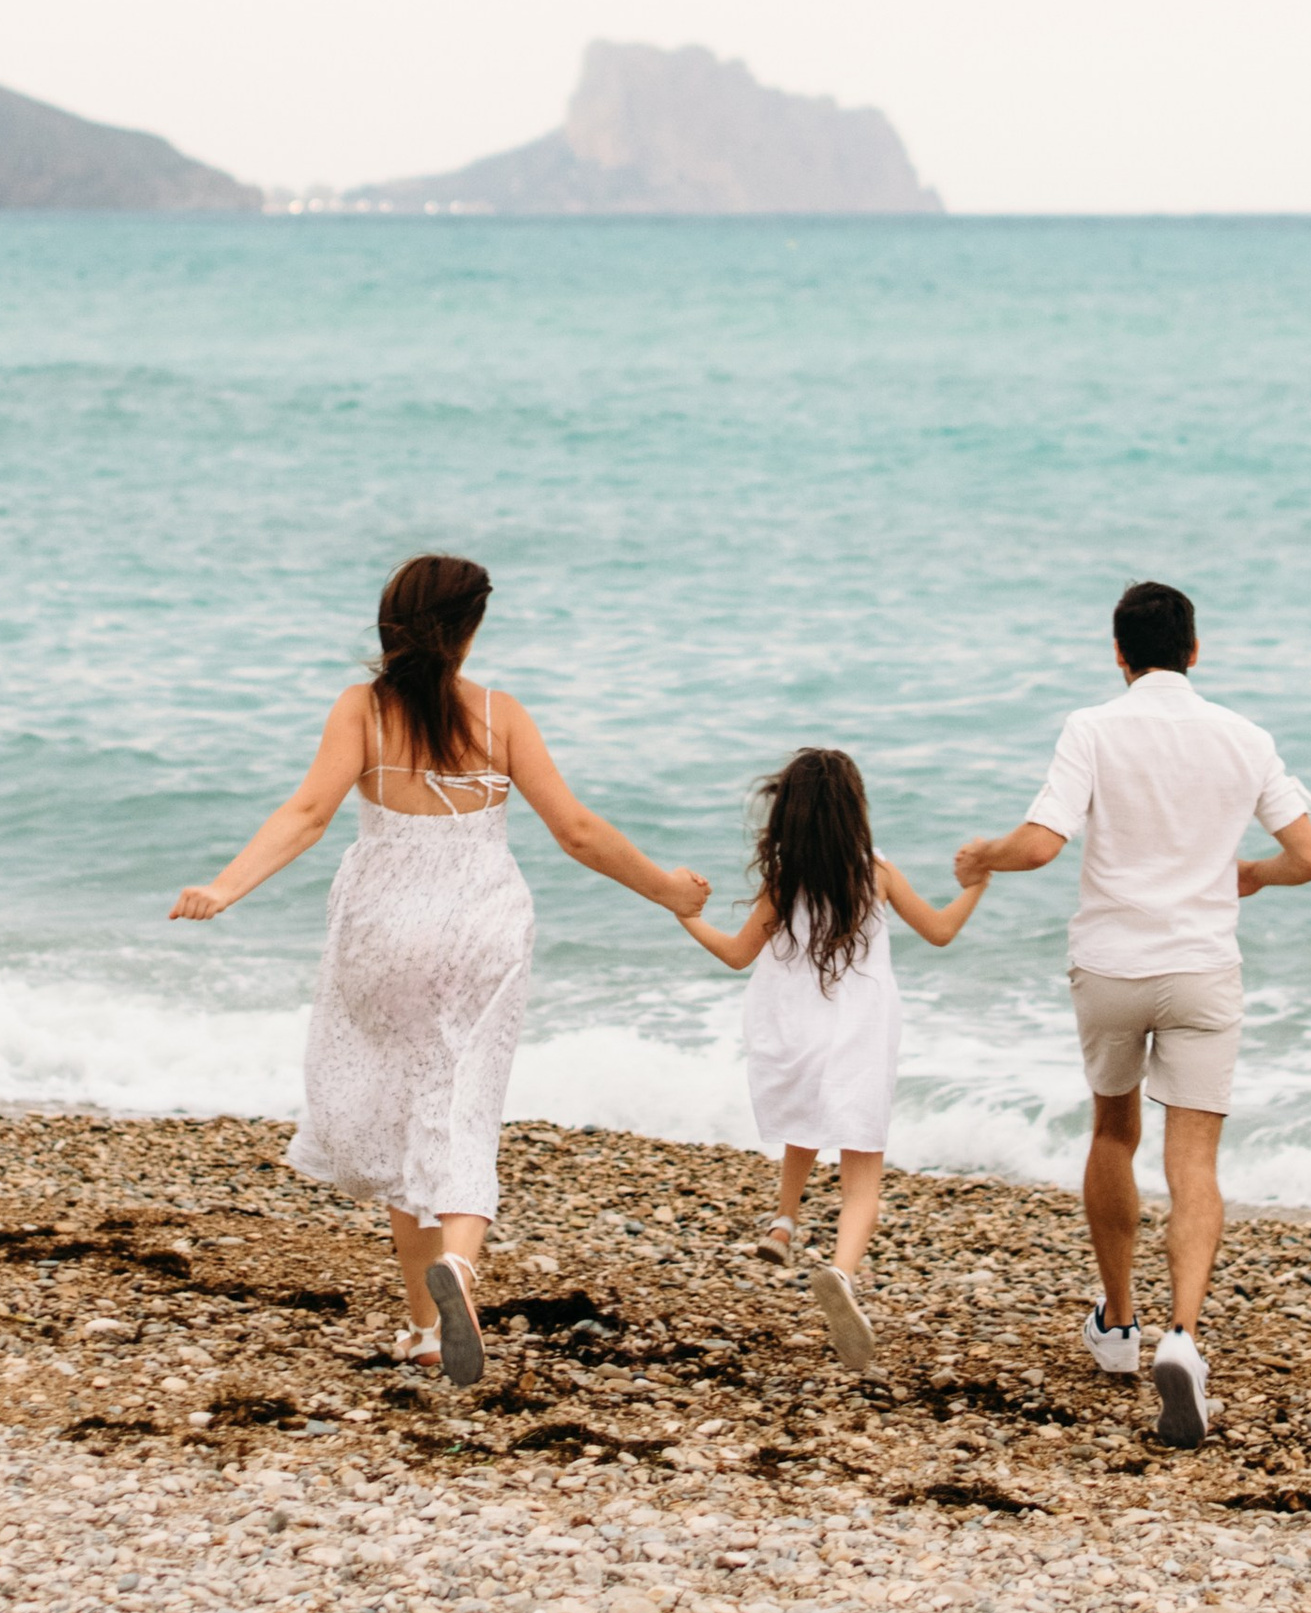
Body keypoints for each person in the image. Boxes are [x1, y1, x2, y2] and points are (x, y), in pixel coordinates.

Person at [171, 554, 707, 1383]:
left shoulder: (363, 709)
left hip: (382, 926)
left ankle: (425, 1329)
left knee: (397, 1107)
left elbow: (308, 812)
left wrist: (225, 886)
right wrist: (669, 890)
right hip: (480, 927)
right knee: (461, 1102)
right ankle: (458, 1264)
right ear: (472, 626)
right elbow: (578, 832)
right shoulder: (500, 714)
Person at [954, 581, 1311, 1450]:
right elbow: (1310, 857)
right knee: (1192, 1157)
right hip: (1202, 969)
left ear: (1118, 654)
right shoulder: (1245, 736)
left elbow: (1041, 843)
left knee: (1113, 1131)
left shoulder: (1094, 726)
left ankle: (1119, 1324)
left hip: (1113, 966)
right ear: (1195, 651)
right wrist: (1249, 874)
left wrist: (984, 856)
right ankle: (1184, 1337)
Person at [672, 745, 984, 1375]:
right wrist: (978, 885)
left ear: (789, 815)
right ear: (853, 812)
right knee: (861, 1172)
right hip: (861, 1036)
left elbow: (736, 955)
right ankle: (840, 1273)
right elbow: (942, 931)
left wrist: (684, 915)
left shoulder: (784, 881)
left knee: (807, 1126)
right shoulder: (878, 874)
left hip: (796, 1035)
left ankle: (783, 1223)